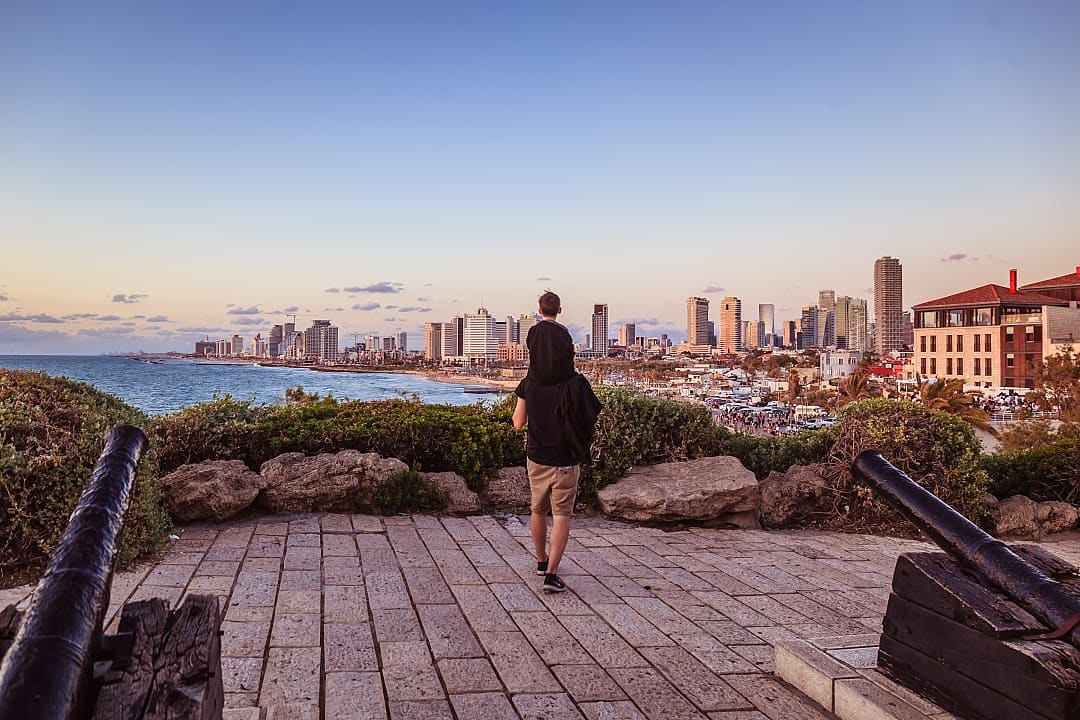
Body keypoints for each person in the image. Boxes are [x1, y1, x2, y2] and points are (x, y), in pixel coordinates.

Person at [512, 291, 600, 593]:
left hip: (537, 456)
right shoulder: (575, 383)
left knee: (537, 510)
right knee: (561, 515)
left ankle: (540, 561)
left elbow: (517, 423)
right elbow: (590, 417)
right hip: (566, 457)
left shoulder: (528, 384)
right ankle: (551, 575)